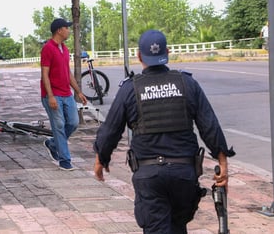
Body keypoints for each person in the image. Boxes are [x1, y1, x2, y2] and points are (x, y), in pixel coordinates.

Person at [93, 29, 235, 233]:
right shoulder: (187, 83)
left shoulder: (130, 89)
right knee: (178, 226)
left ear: (139, 56)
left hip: (149, 176)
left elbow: (110, 130)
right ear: (167, 52)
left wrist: (101, 160)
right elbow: (209, 125)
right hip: (184, 175)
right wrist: (223, 164)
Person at [41, 18, 88, 171]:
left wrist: (78, 92)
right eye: (66, 28)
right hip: (52, 94)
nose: (69, 30)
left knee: (73, 123)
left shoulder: (65, 49)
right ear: (59, 30)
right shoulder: (48, 48)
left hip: (66, 94)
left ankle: (53, 144)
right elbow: (45, 74)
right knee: (59, 125)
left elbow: (67, 73)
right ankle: (65, 160)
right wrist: (51, 96)